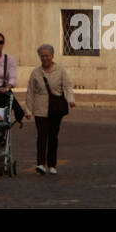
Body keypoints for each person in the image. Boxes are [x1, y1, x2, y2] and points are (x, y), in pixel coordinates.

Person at [25, 43, 75, 174]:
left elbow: (68, 86)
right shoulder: (35, 73)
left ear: (52, 56)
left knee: (53, 136)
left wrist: (71, 100)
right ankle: (41, 163)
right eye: (42, 56)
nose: (45, 58)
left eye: (47, 56)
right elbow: (30, 91)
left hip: (56, 108)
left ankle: (52, 164)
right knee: (42, 136)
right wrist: (28, 110)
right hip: (40, 108)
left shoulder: (60, 70)